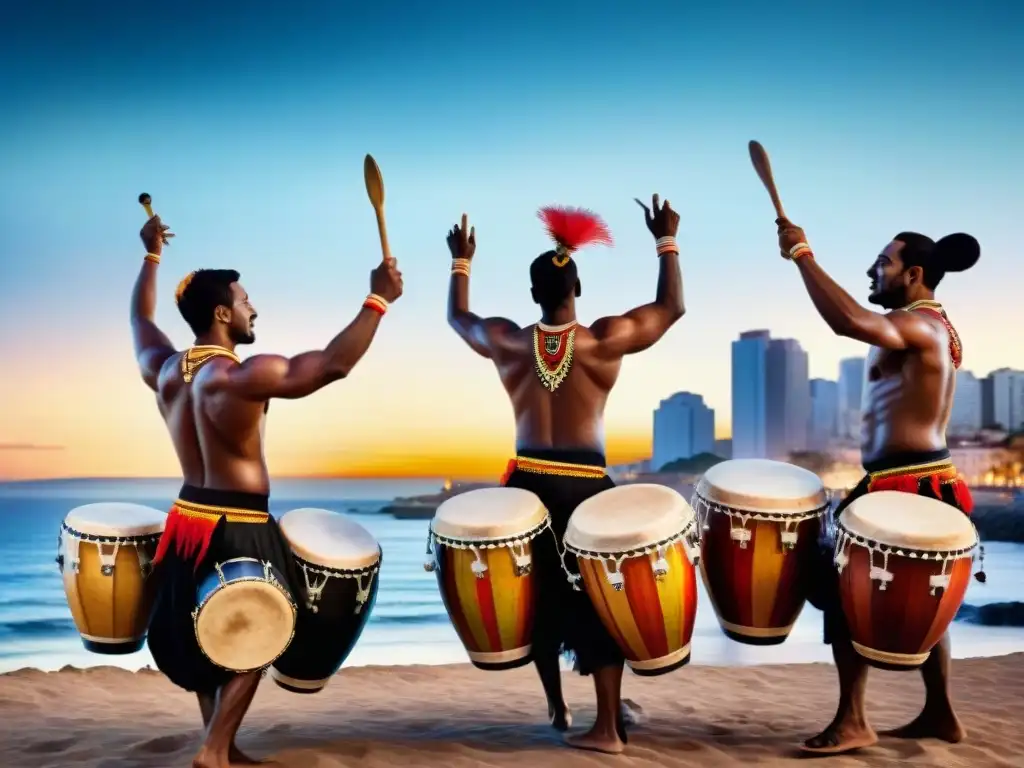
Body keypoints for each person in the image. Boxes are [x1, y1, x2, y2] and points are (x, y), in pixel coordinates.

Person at [130, 212, 403, 768]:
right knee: (259, 631)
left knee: (203, 626)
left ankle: (221, 741)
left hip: (187, 517)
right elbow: (332, 365)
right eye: (247, 300)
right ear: (223, 313)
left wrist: (151, 255)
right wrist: (378, 301)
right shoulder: (239, 376)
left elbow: (139, 318)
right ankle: (212, 752)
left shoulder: (163, 369)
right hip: (240, 525)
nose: (255, 309)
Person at [446, 197, 685, 754]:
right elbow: (670, 307)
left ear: (533, 294)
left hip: (526, 488)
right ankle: (605, 724)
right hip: (586, 490)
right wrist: (665, 239)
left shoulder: (508, 342)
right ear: (577, 289)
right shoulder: (604, 340)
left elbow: (460, 319)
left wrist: (462, 263)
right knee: (598, 599)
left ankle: (557, 705)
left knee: (539, 599)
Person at [774, 218, 981, 756]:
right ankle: (940, 713)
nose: (873, 268)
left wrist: (801, 253)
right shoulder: (926, 324)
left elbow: (847, 320)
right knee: (928, 595)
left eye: (883, 262)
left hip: (906, 483)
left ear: (914, 275)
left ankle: (854, 719)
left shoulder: (918, 324)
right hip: (909, 480)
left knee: (843, 589)